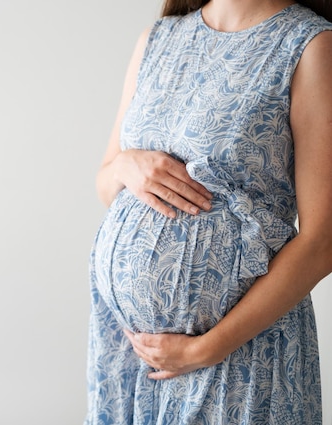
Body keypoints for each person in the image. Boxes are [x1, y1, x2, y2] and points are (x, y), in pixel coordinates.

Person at [86, 0, 332, 423]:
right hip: (130, 355)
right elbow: (107, 185)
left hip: (238, 355)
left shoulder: (309, 45)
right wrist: (128, 165)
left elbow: (324, 239)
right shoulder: (157, 40)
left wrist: (208, 348)